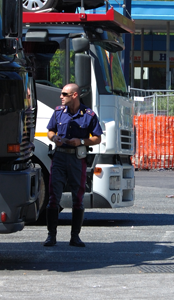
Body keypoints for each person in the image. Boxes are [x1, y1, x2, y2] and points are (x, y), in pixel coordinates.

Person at [43, 83, 103, 247]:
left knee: (78, 198)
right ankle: (51, 236)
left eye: (64, 94)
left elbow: (98, 138)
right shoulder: (58, 112)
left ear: (74, 95)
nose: (61, 97)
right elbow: (50, 131)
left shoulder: (88, 115)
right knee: (53, 197)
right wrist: (54, 138)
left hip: (77, 159)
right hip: (60, 158)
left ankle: (75, 237)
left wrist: (81, 141)